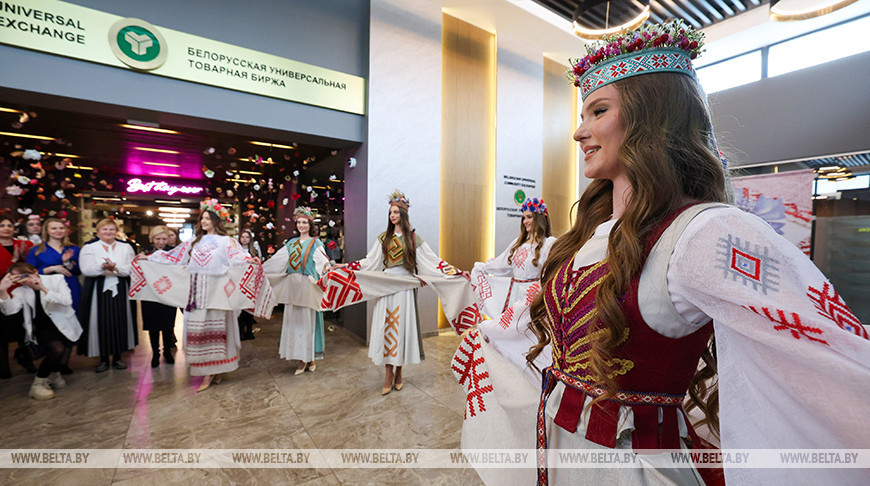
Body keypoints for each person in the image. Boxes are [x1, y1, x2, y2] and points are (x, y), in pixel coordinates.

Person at [454, 20, 870, 486]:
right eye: (582, 115)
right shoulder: (592, 231)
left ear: (649, 117)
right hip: (560, 452)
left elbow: (831, 358)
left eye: (598, 112)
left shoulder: (707, 232)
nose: (578, 132)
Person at [335, 190, 469, 395]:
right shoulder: (384, 238)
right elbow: (369, 262)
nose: (392, 215)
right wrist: (343, 267)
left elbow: (433, 262)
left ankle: (399, 372)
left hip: (405, 288)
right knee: (387, 328)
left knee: (401, 330)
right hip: (387, 287)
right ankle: (389, 373)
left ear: (403, 214)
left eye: (396, 212)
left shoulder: (413, 238)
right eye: (391, 212)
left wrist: (457, 272)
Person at [139, 199, 260, 392]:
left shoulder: (226, 241)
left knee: (219, 330)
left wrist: (249, 259)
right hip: (196, 294)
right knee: (199, 331)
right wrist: (150, 257)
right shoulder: (193, 242)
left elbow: (238, 256)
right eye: (201, 218)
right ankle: (207, 372)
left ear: (216, 220)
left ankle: (216, 370)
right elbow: (174, 257)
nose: (203, 221)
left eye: (207, 218)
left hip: (218, 292)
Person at [263, 207, 330, 375]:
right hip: (293, 287)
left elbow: (323, 262)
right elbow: (277, 262)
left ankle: (310, 357)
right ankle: (301, 360)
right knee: (296, 323)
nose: (301, 225)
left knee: (308, 322)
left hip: (308, 286)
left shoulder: (316, 243)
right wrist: (260, 268)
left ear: (310, 224)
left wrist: (328, 270)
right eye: (299, 222)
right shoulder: (290, 244)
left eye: (304, 222)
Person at [0, 262, 81, 400]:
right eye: (15, 278)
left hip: (64, 322)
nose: (22, 280)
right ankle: (38, 384)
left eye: (24, 275)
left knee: (62, 362)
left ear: (35, 272)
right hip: (42, 326)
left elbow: (67, 301)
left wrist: (42, 288)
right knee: (57, 350)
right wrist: (2, 292)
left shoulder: (56, 279)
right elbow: (10, 311)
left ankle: (54, 373)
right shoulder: (19, 291)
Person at [470, 197, 555, 318]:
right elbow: (499, 264)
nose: (525, 221)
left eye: (529, 217)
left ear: (539, 218)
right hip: (514, 297)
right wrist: (480, 269)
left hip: (535, 298)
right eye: (524, 218)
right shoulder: (518, 243)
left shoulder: (549, 244)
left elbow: (552, 273)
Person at [78, 218, 137, 372]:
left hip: (121, 287)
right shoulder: (89, 247)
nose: (108, 232)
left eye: (111, 229)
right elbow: (86, 269)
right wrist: (102, 267)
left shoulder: (126, 247)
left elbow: (132, 269)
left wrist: (115, 267)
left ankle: (118, 357)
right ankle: (103, 358)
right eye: (104, 229)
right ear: (98, 232)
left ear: (116, 231)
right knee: (99, 321)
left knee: (120, 320)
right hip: (96, 288)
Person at [26, 217, 81, 375]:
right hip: (46, 289)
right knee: (52, 322)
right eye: (54, 228)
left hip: (71, 288)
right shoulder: (36, 250)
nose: (58, 231)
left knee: (70, 321)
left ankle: (64, 362)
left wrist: (68, 264)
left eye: (61, 228)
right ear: (47, 231)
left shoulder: (74, 249)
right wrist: (51, 269)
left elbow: (77, 271)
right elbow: (29, 273)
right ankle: (52, 358)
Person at [0, 215, 35, 377]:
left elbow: (30, 267)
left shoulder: (24, 244)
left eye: (9, 225)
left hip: (21, 291)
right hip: (2, 291)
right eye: (2, 225)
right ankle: (3, 367)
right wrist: (13, 261)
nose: (6, 228)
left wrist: (21, 258)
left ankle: (26, 359)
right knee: (2, 331)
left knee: (23, 327)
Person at [139, 226, 178, 368]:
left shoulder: (173, 252)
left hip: (168, 293)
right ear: (152, 239)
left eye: (164, 239)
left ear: (168, 239)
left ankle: (167, 351)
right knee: (153, 325)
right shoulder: (145, 251)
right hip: (150, 293)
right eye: (158, 239)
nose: (161, 242)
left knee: (168, 324)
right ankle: (155, 353)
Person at [236, 228, 260, 341]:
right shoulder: (236, 251)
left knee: (250, 308)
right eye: (243, 237)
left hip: (251, 282)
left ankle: (249, 330)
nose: (244, 239)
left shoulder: (253, 251)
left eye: (247, 237)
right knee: (240, 308)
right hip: (239, 281)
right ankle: (240, 331)